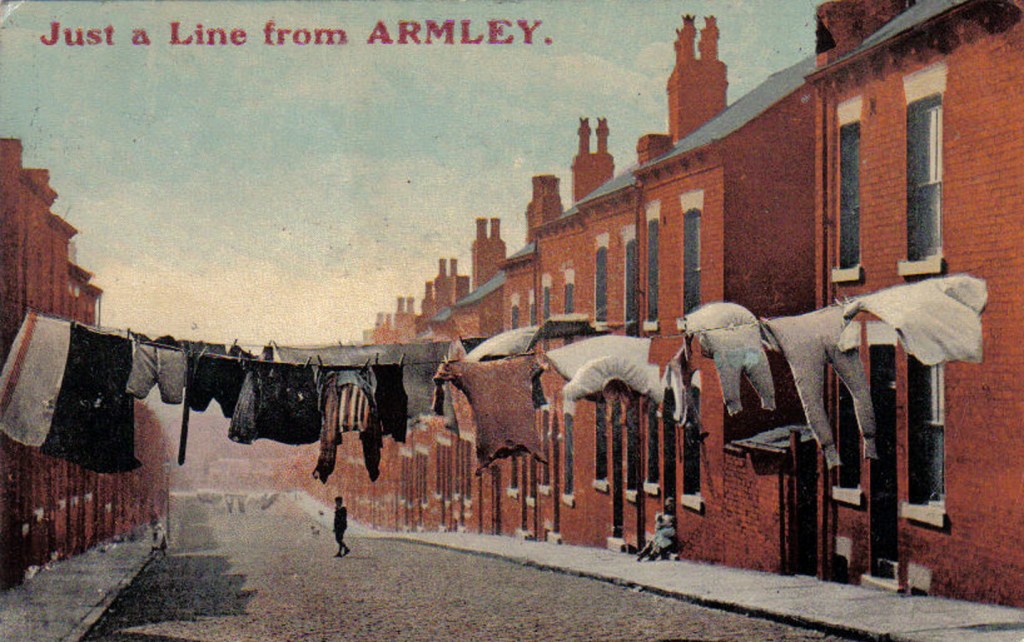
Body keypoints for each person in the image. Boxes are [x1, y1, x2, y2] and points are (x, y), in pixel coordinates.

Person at [637, 497, 677, 562]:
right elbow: (658, 526)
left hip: (670, 531)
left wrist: (662, 522)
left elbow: (668, 524)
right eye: (668, 505)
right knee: (656, 537)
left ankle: (652, 553)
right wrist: (659, 521)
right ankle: (646, 552)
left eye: (672, 505)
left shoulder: (673, 515)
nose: (670, 507)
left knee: (658, 535)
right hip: (663, 535)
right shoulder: (663, 514)